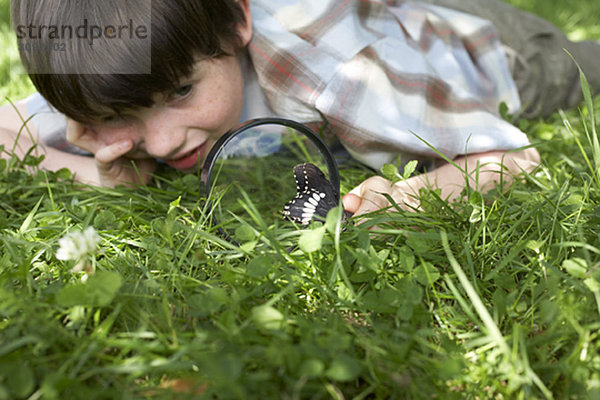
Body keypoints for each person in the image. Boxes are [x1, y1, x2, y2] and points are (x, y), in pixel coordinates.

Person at [1, 0, 598, 217]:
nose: (159, 146)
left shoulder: (338, 75)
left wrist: (405, 198)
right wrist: (98, 173)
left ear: (237, 21)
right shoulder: (125, 66)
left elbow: (513, 160)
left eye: (181, 93)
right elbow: (11, 127)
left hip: (486, 51)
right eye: (124, 116)